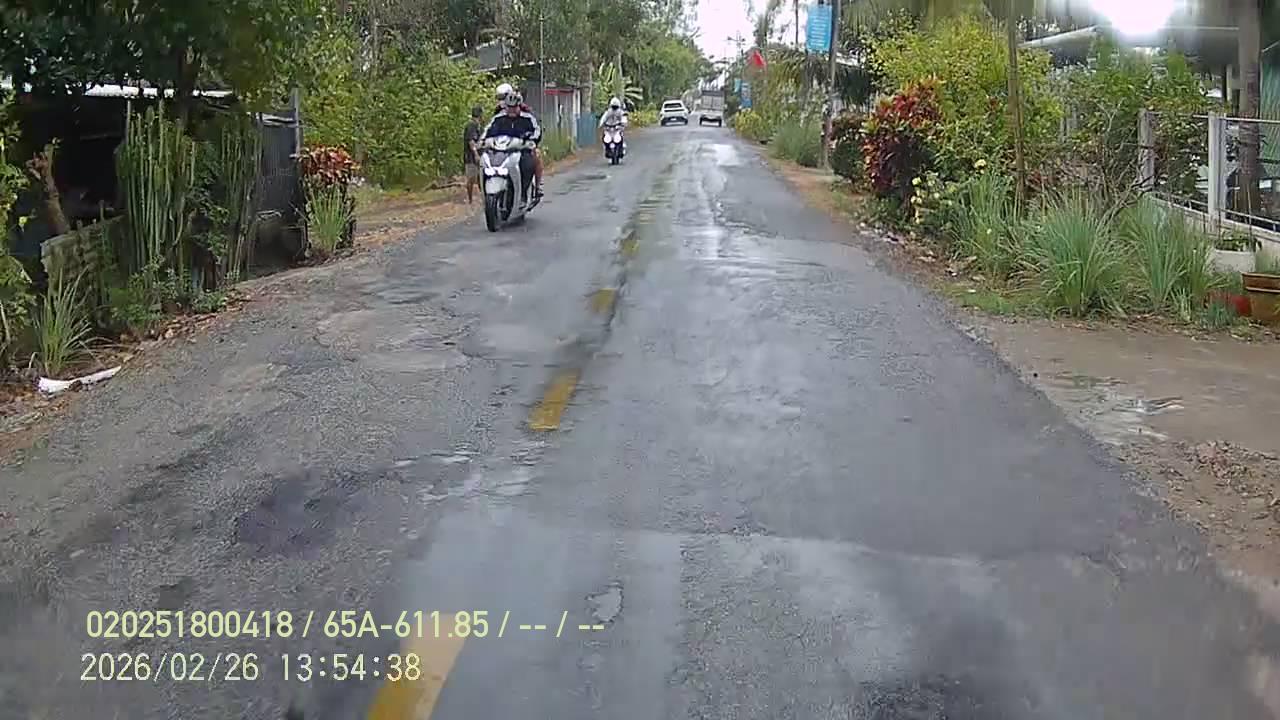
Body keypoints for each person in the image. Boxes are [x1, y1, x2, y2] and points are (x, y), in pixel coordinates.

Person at [482, 92, 542, 203]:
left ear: (519, 106)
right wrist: (482, 141)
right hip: (500, 151)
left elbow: (537, 131)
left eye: (514, 107)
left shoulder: (528, 118)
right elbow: (487, 130)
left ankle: (525, 192)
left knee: (529, 164)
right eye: (509, 107)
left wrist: (532, 139)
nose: (512, 110)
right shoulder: (498, 118)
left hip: (521, 150)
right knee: (485, 164)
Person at [462, 105, 484, 204]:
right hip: (471, 156)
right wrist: (476, 154)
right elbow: (471, 141)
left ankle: (482, 197)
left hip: (479, 154)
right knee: (471, 178)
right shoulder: (471, 125)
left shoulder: (479, 127)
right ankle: (470, 199)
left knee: (480, 177)